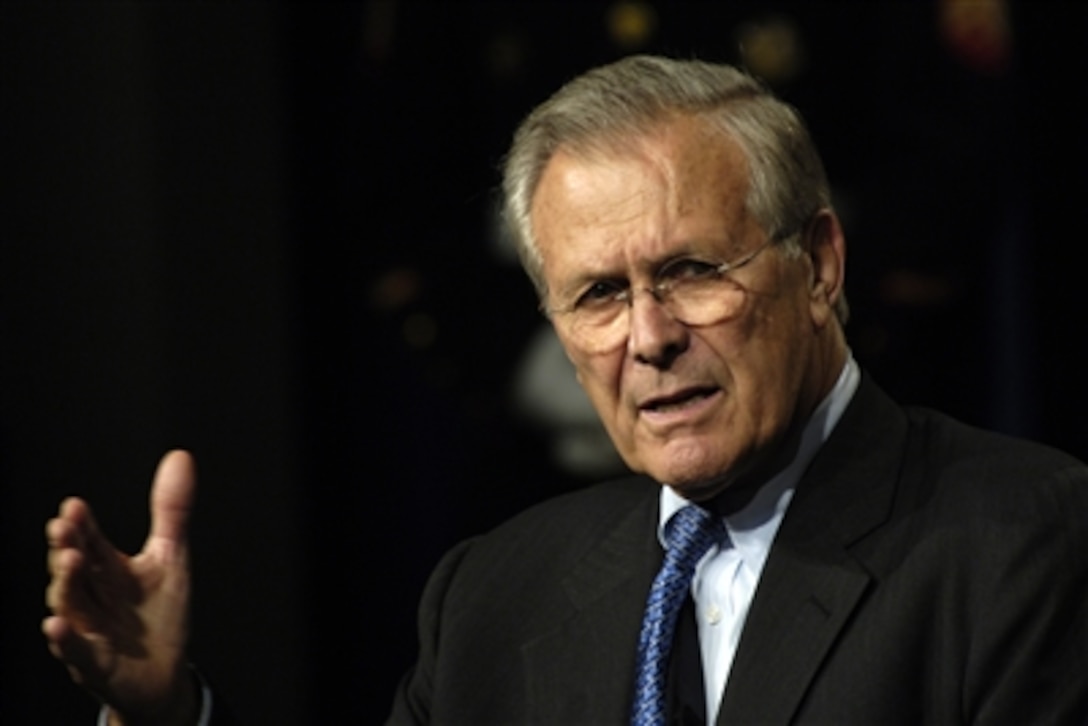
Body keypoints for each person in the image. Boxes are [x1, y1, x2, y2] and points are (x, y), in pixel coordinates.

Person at [45, 55, 1088, 725]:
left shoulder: (1023, 544)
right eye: (597, 294)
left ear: (816, 265)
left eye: (689, 271)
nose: (647, 338)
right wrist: (165, 715)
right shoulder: (494, 594)